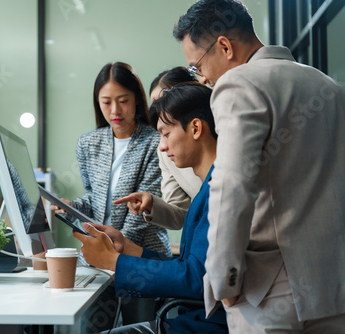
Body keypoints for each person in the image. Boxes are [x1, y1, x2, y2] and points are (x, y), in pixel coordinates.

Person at [174, 0, 345, 332]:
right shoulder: (330, 88)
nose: (203, 79)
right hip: (334, 288)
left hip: (269, 295)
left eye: (197, 67)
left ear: (223, 46)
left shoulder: (238, 84)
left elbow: (232, 187)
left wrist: (223, 280)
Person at [74, 83, 228, 334]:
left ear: (196, 128)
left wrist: (114, 261)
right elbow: (190, 267)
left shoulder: (219, 191)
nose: (163, 146)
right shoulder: (208, 188)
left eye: (166, 134)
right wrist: (128, 249)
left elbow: (195, 279)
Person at [54, 62, 171, 256]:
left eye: (123, 100)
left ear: (136, 100)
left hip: (143, 254)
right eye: (106, 102)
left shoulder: (156, 142)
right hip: (99, 253)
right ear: (97, 103)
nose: (115, 110)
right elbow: (94, 198)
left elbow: (144, 209)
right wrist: (72, 206)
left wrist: (112, 248)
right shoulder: (88, 143)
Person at [115, 67, 203, 230]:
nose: (158, 112)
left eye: (163, 100)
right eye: (155, 105)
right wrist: (151, 204)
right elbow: (180, 214)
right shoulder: (165, 151)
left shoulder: (223, 136)